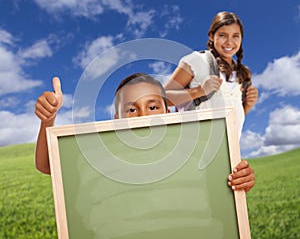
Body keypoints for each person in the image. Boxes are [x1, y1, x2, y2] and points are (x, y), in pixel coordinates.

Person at [34, 73, 255, 192]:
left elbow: (221, 184)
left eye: (152, 107)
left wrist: (241, 179)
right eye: (131, 109)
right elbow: (46, 165)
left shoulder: (191, 153)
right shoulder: (104, 155)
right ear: (116, 120)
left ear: (167, 113)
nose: (143, 116)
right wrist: (48, 120)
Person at [164, 11, 258, 139]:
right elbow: (162, 99)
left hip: (229, 151)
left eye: (235, 36)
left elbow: (235, 118)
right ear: (211, 36)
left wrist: (247, 105)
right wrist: (199, 91)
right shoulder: (196, 61)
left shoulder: (243, 73)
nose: (229, 42)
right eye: (223, 35)